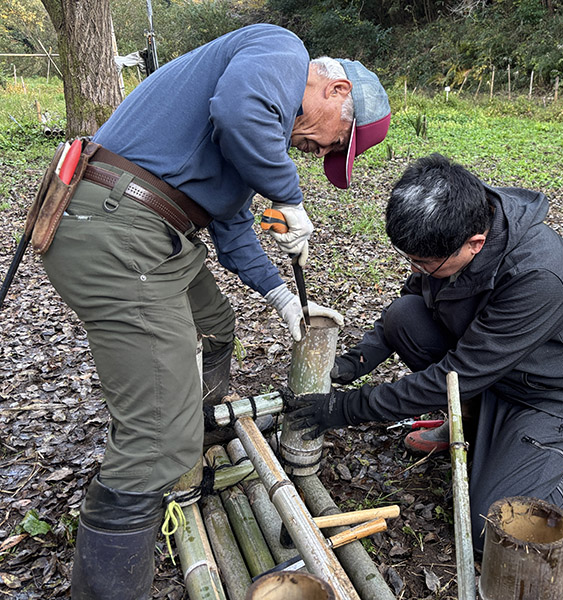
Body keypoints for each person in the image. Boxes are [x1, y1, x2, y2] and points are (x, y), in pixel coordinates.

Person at [40, 24, 390, 599]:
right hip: (121, 229)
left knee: (216, 322)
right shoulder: (282, 51)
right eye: (335, 142)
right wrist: (288, 195)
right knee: (157, 440)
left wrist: (283, 298)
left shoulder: (248, 134)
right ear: (336, 91)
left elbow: (231, 228)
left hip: (150, 227)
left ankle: (197, 414)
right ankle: (150, 481)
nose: (319, 153)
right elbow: (238, 110)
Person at [287, 153, 563, 551]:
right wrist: (355, 362)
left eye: (424, 263)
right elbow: (410, 302)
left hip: (552, 395)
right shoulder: (452, 227)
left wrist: (346, 409)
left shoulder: (539, 276)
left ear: (475, 244)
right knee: (406, 316)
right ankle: (474, 424)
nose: (415, 269)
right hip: (495, 371)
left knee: (495, 528)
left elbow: (455, 375)